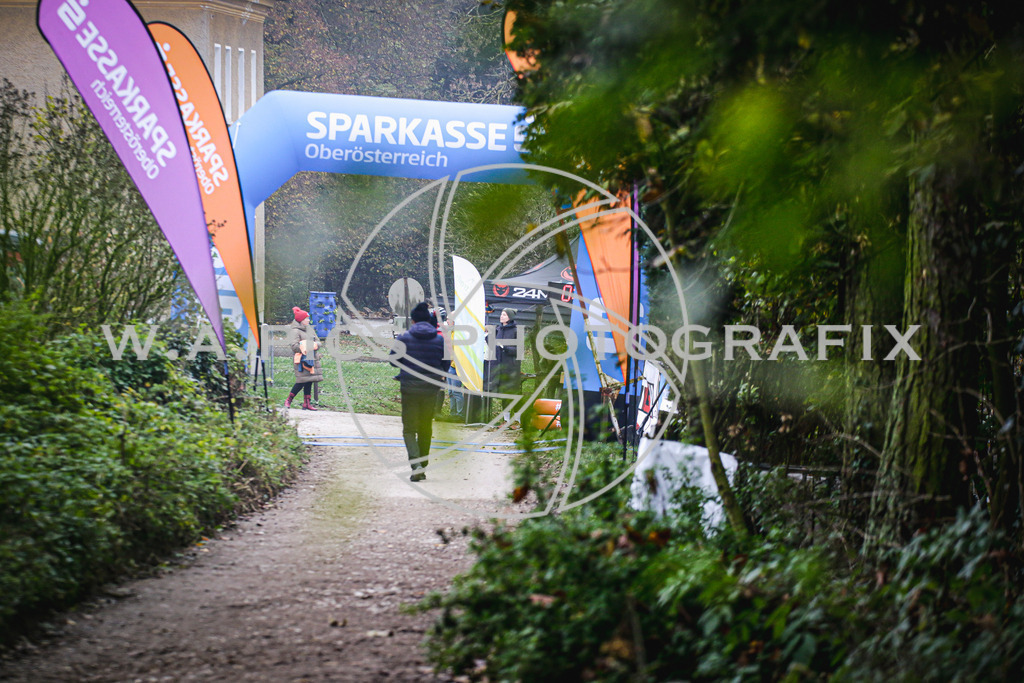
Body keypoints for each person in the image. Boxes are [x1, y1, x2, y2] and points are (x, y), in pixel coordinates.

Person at [390, 301, 450, 481]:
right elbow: (446, 363)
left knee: (409, 428)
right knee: (425, 426)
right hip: (430, 389)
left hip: (409, 388)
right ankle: (423, 464)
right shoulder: (439, 339)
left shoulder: (404, 338)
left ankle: (415, 464)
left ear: (413, 321)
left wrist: (406, 367)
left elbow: (393, 361)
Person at [488, 308, 522, 423]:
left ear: (510, 317)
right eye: (501, 314)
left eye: (504, 315)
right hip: (498, 367)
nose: (501, 316)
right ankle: (506, 420)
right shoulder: (498, 329)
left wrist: (505, 348)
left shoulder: (516, 331)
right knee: (503, 394)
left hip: (511, 368)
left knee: (513, 393)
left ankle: (518, 419)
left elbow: (519, 350)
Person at [285, 306, 323, 410]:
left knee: (309, 380)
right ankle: (288, 400)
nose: (308, 320)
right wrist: (306, 346)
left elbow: (318, 342)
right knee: (301, 381)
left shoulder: (310, 329)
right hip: (302, 359)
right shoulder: (295, 331)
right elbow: (294, 346)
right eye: (306, 318)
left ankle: (307, 403)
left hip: (311, 358)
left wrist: (315, 345)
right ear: (301, 320)